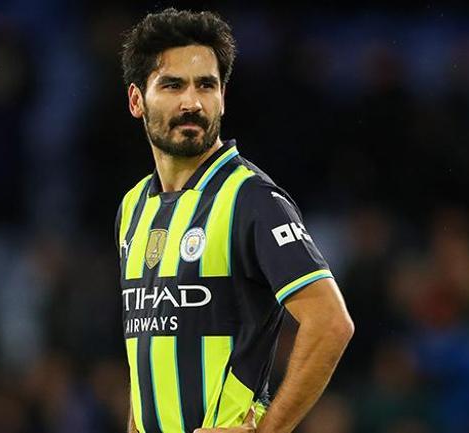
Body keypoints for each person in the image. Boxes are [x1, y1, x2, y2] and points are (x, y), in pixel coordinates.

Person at [115, 8, 354, 433]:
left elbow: (330, 323)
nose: (192, 103)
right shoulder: (133, 206)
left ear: (222, 97)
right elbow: (146, 356)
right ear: (137, 100)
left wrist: (269, 430)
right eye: (172, 85)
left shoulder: (251, 199)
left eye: (206, 85)